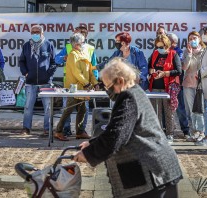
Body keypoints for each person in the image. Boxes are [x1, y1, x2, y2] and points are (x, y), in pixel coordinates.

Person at [73, 58, 182, 198]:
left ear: (120, 81)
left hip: (153, 173)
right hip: (154, 170)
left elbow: (116, 136)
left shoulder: (128, 97)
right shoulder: (134, 92)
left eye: (108, 85)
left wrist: (88, 154)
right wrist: (91, 143)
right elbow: (120, 128)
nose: (107, 90)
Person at [54, 33, 98, 141]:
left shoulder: (84, 53)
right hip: (74, 88)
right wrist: (87, 83)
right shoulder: (73, 54)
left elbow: (89, 70)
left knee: (82, 110)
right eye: (82, 42)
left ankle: (80, 132)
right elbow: (76, 72)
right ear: (77, 44)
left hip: (83, 88)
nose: (84, 43)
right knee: (68, 110)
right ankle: (58, 131)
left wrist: (95, 82)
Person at [19, 25, 56, 136]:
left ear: (42, 33)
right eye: (33, 32)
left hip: (46, 82)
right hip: (30, 82)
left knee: (48, 107)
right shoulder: (26, 46)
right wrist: (25, 72)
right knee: (28, 106)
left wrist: (48, 75)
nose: (35, 34)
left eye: (37, 32)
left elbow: (54, 63)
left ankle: (47, 129)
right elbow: (21, 61)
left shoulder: (49, 45)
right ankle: (26, 128)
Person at [148, 34, 181, 143]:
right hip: (155, 87)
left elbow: (179, 71)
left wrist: (165, 73)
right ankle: (158, 134)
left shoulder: (173, 54)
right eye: (158, 46)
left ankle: (170, 134)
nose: (159, 49)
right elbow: (149, 67)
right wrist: (151, 71)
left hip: (168, 88)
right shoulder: (155, 53)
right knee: (156, 113)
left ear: (167, 45)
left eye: (161, 47)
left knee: (168, 112)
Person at [182, 31, 206, 141]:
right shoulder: (186, 52)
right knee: (190, 109)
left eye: (194, 38)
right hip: (188, 84)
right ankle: (194, 132)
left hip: (200, 84)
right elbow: (185, 67)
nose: (192, 40)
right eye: (190, 38)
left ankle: (202, 132)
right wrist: (190, 54)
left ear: (199, 39)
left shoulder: (204, 51)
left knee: (199, 108)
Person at [167, 33, 190, 140]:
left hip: (176, 85)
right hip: (165, 84)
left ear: (172, 42)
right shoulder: (161, 50)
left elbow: (179, 67)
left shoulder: (179, 52)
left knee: (180, 109)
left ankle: (186, 130)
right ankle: (166, 130)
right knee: (165, 109)